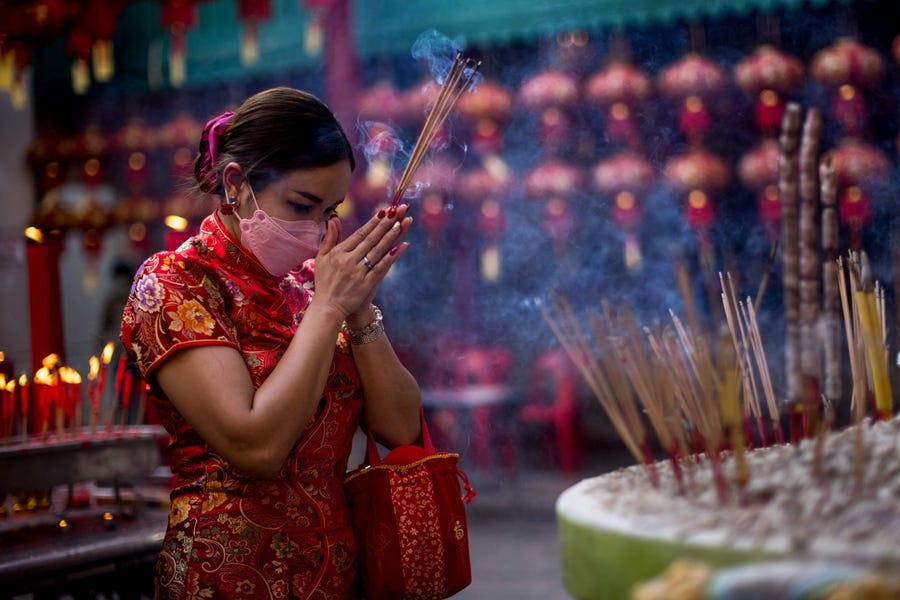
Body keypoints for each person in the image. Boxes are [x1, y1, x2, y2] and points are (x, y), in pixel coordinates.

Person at [120, 87, 422, 599]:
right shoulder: (175, 284)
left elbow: (401, 430)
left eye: (331, 210)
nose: (320, 228)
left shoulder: (312, 282)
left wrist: (360, 311)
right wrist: (327, 310)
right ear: (237, 183)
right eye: (302, 204)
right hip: (228, 576)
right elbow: (255, 447)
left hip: (336, 575)